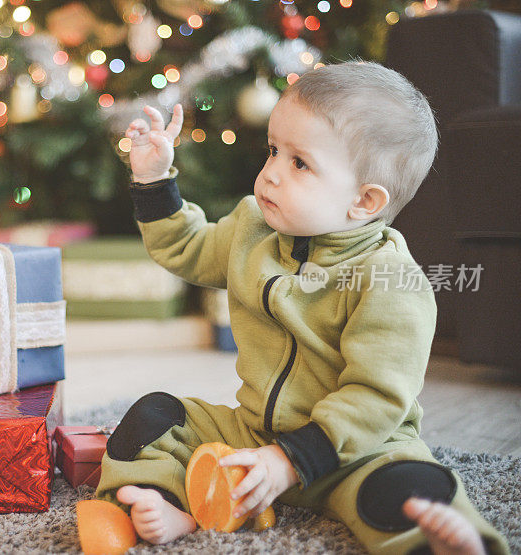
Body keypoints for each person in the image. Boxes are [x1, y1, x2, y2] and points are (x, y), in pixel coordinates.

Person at [93, 61, 509, 554]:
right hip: (251, 433)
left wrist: (290, 461)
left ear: (365, 200)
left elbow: (377, 397)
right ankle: (157, 503)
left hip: (353, 452)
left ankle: (442, 544)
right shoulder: (253, 229)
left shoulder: (391, 279)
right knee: (154, 417)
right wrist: (155, 180)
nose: (268, 174)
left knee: (408, 488)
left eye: (299, 163)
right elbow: (185, 247)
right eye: (273, 150)